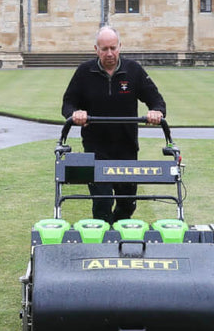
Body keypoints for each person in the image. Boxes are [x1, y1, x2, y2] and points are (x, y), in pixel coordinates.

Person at [61, 26, 167, 225]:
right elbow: (68, 103)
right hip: (96, 149)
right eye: (104, 49)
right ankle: (103, 237)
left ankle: (116, 232)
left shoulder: (133, 70)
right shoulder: (85, 72)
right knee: (102, 201)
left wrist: (156, 112)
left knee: (127, 203)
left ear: (120, 47)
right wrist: (75, 113)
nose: (109, 53)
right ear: (96, 49)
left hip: (126, 147)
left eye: (113, 48)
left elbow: (157, 100)